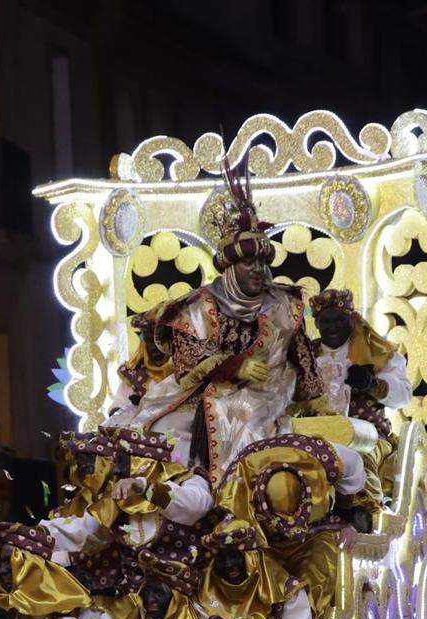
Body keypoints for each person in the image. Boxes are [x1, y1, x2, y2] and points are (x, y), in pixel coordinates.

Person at [105, 160, 323, 477]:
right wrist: (234, 366)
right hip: (202, 393)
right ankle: (176, 495)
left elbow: (302, 359)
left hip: (270, 392)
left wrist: (316, 403)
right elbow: (187, 359)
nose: (258, 271)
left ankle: (236, 497)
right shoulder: (196, 307)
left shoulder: (285, 304)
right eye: (248, 263)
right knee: (159, 429)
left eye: (263, 262)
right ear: (231, 268)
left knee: (247, 417)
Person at [307, 287, 411, 517]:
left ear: (351, 319)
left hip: (368, 436)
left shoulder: (376, 350)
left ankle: (366, 512)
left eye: (339, 320)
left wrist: (373, 384)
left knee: (358, 456)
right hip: (316, 432)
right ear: (316, 324)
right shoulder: (306, 354)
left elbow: (404, 395)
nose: (332, 327)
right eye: (326, 321)